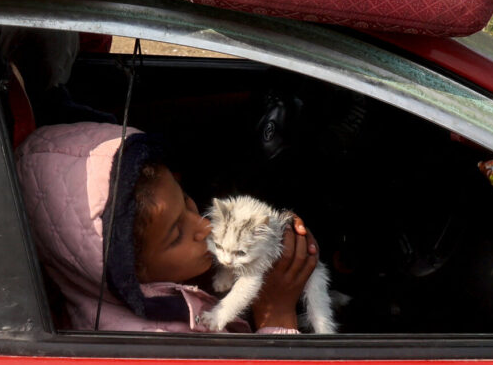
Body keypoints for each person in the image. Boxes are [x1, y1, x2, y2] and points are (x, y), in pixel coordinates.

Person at [16, 122, 319, 333]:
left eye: (187, 202)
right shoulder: (162, 338)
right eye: (177, 235)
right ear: (132, 275)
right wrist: (276, 314)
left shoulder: (142, 282)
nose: (203, 227)